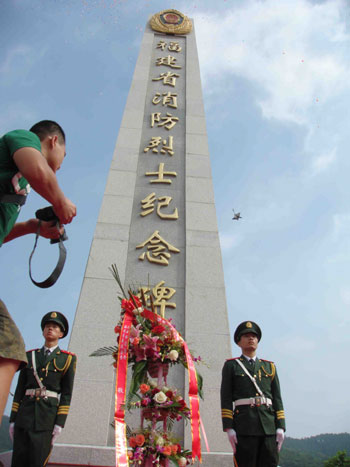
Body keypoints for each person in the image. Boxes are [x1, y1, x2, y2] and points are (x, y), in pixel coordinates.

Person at [0, 120, 76, 424]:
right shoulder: (21, 138)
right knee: (8, 346)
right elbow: (39, 171)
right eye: (64, 157)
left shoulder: (17, 185)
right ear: (53, 141)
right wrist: (60, 201)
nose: (60, 166)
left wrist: (32, 227)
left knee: (8, 348)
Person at [9, 311, 77, 467]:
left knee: (37, 461)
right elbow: (19, 390)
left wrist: (60, 423)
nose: (50, 329)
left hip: (46, 419)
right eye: (47, 326)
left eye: (54, 327)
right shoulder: (30, 356)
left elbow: (67, 394)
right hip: (23, 417)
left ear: (61, 333)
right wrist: (13, 419)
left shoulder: (67, 359)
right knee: (18, 461)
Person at [220, 321, 286, 467]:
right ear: (238, 341)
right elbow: (225, 398)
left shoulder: (269, 366)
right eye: (246, 336)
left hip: (268, 427)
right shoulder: (232, 366)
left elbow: (277, 398)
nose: (251, 338)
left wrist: (280, 426)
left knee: (270, 463)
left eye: (254, 336)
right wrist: (229, 427)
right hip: (244, 427)